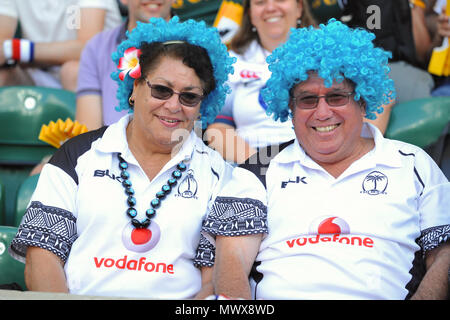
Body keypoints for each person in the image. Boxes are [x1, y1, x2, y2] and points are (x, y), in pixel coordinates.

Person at [8, 17, 267, 299]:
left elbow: (212, 283)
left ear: (202, 104)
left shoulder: (219, 174)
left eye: (189, 97)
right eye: (161, 90)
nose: (173, 105)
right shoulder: (76, 155)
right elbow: (42, 258)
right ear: (134, 88)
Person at [214, 19, 450, 300]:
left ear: (362, 102)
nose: (322, 112)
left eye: (337, 97)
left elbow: (443, 255)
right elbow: (231, 260)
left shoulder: (413, 163)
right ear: (290, 108)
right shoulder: (258, 168)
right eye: (307, 100)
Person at [205, 0, 317, 164]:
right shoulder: (231, 62)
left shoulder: (328, 55)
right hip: (252, 165)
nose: (270, 8)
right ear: (250, 14)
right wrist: (258, 167)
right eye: (260, 2)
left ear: (299, 8)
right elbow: (218, 129)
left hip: (318, 160)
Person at [76, 0, 175, 131]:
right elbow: (88, 133)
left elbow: (208, 124)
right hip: (113, 149)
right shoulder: (96, 47)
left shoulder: (202, 46)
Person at [0, 0, 122, 91]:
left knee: (71, 72)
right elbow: (2, 44)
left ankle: (89, 125)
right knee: (3, 75)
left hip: (94, 73)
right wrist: (11, 51)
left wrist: (15, 50)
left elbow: (88, 47)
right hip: (37, 71)